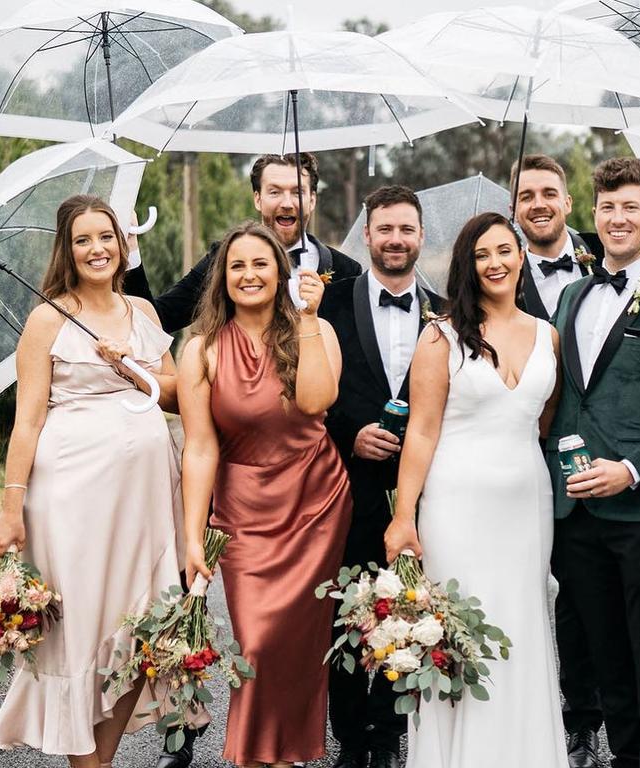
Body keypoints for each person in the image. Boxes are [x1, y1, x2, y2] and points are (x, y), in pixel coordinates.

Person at [511, 153, 640, 768]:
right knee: (604, 659)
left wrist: (631, 469)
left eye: (631, 206)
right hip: (577, 517)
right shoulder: (573, 295)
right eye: (607, 207)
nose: (617, 218)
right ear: (592, 215)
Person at [0, 195, 182, 767]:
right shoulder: (47, 318)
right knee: (83, 631)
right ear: (67, 252)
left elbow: (174, 394)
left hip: (144, 502)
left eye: (106, 237)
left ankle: (103, 759)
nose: (97, 249)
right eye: (83, 240)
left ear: (123, 244)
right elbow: (27, 421)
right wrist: (10, 506)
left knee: (135, 631)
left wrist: (131, 365)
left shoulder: (144, 313)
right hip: (72, 501)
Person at [384, 212, 568, 768]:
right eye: (482, 254)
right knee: (459, 628)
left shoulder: (548, 335)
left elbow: (543, 421)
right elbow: (421, 430)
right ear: (467, 265)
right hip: (456, 507)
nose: (496, 262)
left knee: (522, 622)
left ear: (521, 257)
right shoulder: (440, 337)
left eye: (505, 250)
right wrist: (404, 517)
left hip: (526, 509)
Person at [177, 221, 351, 768]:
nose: (249, 275)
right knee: (255, 644)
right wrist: (191, 537)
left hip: (316, 503)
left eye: (260, 264)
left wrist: (308, 318)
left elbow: (319, 400)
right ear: (221, 279)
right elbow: (200, 449)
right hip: (244, 512)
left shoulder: (315, 329)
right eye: (237, 266)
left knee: (296, 649)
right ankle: (256, 756)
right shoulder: (200, 349)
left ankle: (289, 756)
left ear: (282, 272)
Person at [319, 185, 445, 768]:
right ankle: (348, 737)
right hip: (347, 484)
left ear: (421, 237)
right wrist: (350, 431)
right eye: (385, 229)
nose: (396, 239)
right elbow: (311, 386)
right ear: (365, 235)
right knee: (350, 611)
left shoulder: (446, 312)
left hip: (426, 488)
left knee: (411, 608)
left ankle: (391, 734)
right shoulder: (329, 304)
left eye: (407, 229)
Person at [123, 152, 362, 332]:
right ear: (258, 199)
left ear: (312, 200)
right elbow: (160, 319)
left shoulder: (347, 271)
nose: (287, 203)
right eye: (275, 192)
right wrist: (131, 250)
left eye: (297, 192)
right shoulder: (224, 260)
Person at [512, 153, 640, 322]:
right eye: (526, 196)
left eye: (549, 194)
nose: (538, 205)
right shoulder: (505, 277)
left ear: (567, 203)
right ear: (512, 209)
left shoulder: (609, 248)